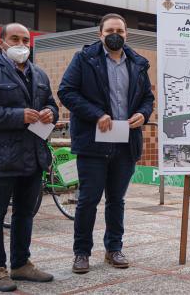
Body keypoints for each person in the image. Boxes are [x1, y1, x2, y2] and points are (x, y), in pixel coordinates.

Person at [58, 14, 154, 274]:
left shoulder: (137, 63)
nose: (115, 34)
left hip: (125, 142)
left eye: (120, 30)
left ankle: (114, 249)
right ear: (100, 34)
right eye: (110, 30)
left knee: (116, 200)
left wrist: (144, 114)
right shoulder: (84, 59)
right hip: (93, 142)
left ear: (126, 34)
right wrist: (96, 114)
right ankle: (81, 253)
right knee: (88, 200)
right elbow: (66, 91)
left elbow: (147, 97)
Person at [0, 23, 57, 292]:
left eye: (25, 39)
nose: (21, 43)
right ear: (1, 42)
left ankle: (21, 264)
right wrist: (17, 116)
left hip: (33, 155)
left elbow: (51, 103)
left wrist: (51, 112)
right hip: (1, 157)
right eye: (14, 38)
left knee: (25, 213)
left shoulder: (38, 73)